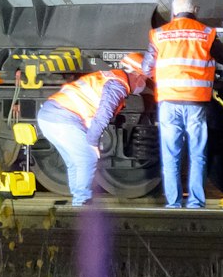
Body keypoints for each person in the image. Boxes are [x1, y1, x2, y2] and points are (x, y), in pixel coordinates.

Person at [149, 0, 223, 209]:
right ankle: (196, 202)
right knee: (197, 154)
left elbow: (146, 67)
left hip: (169, 102)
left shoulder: (159, 34)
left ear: (173, 12)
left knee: (171, 155)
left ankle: (173, 203)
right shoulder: (205, 33)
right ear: (195, 10)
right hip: (195, 102)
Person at [34, 54, 148, 207]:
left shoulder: (110, 78)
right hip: (62, 117)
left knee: (75, 162)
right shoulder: (117, 85)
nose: (143, 83)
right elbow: (103, 115)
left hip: (49, 116)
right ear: (136, 74)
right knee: (87, 158)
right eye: (144, 78)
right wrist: (92, 142)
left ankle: (78, 201)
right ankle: (82, 202)